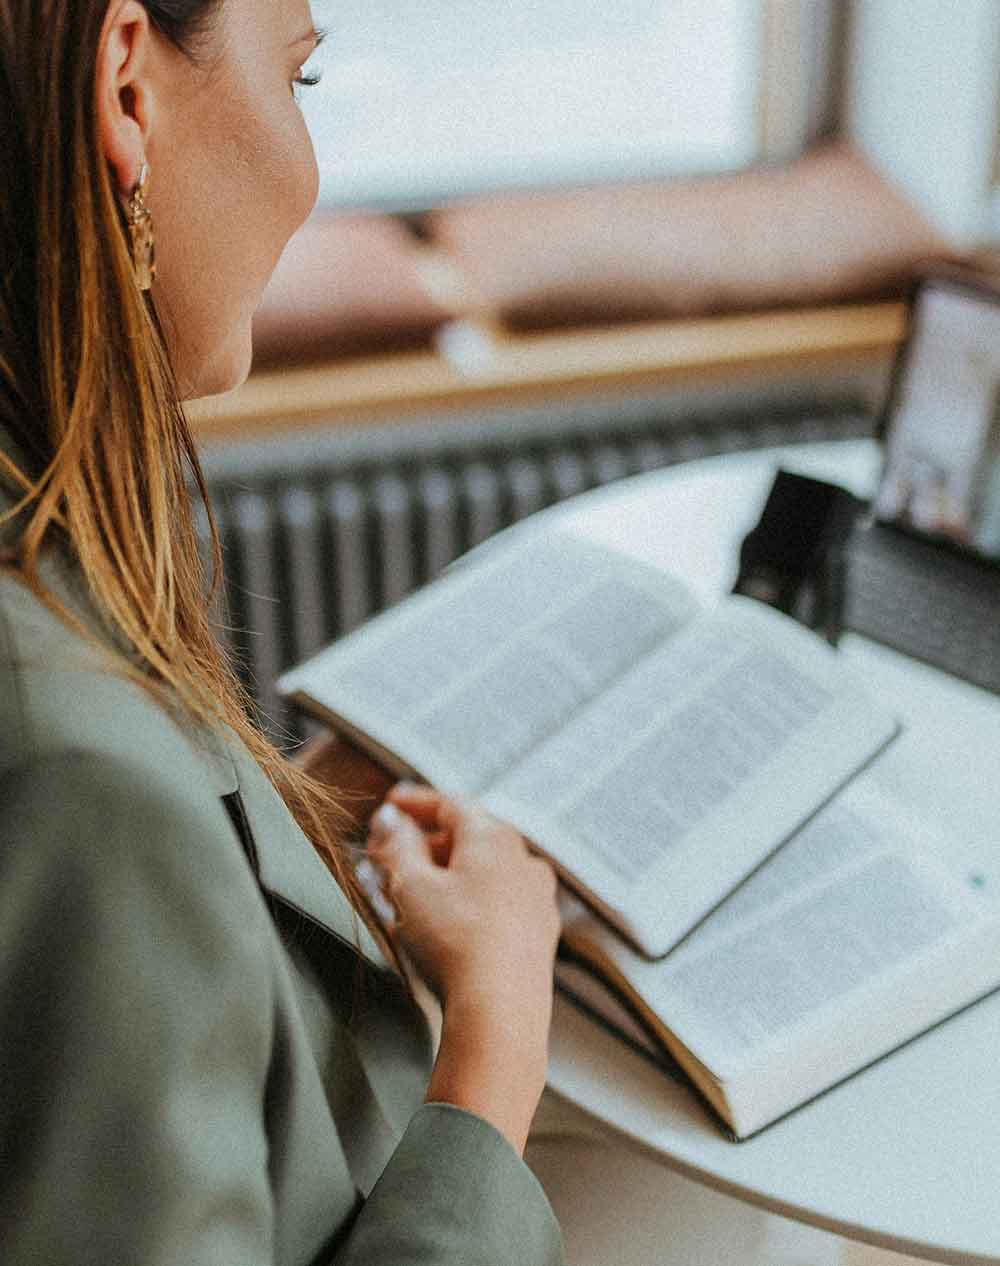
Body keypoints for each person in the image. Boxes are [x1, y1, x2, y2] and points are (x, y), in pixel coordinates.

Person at [0, 2, 565, 1261]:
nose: (309, 179)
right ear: (128, 88)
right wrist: (496, 1031)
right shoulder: (77, 780)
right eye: (298, 78)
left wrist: (281, 817)